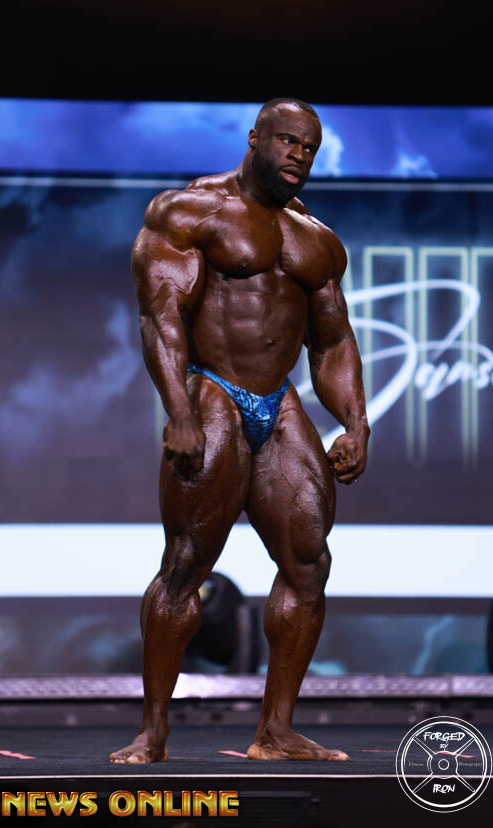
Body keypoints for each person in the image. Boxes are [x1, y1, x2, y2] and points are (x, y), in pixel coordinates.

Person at [110, 98, 370, 763]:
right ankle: (153, 733)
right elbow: (161, 316)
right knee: (185, 565)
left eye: (309, 148)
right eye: (287, 141)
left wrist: (356, 422)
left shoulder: (316, 239)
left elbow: (333, 340)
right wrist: (179, 411)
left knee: (309, 563)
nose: (298, 155)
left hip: (278, 404)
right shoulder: (191, 212)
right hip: (214, 394)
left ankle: (275, 732)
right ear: (255, 138)